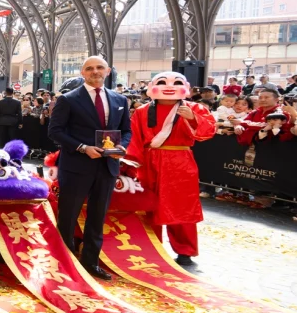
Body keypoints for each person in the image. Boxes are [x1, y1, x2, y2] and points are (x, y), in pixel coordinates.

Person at [46, 56, 132, 280]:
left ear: (108, 71)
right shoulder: (68, 99)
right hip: (77, 166)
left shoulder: (119, 99)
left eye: (99, 67)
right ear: (82, 72)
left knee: (97, 216)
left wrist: (122, 146)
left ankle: (91, 262)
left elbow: (126, 130)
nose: (95, 71)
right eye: (90, 68)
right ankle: (64, 262)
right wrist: (83, 148)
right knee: (68, 216)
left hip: (107, 166)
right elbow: (55, 131)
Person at [124, 71, 216, 267]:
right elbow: (134, 139)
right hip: (149, 162)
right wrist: (132, 164)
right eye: (162, 82)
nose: (169, 86)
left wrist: (193, 118)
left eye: (176, 83)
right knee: (148, 204)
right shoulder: (141, 111)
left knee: (182, 206)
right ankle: (150, 246)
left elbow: (208, 132)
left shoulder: (195, 108)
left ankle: (185, 251)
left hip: (180, 163)